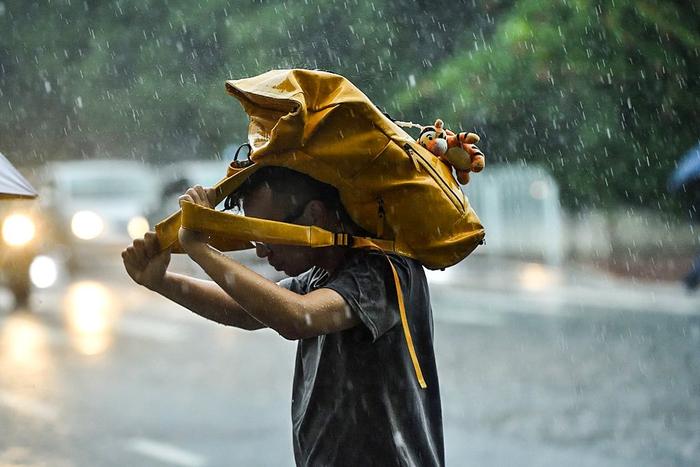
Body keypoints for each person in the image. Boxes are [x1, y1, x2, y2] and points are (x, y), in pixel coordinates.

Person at [122, 166, 444, 466]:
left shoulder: (384, 271)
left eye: (267, 235)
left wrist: (201, 250)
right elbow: (246, 311)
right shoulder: (322, 275)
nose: (262, 252)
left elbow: (297, 318)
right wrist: (162, 281)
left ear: (313, 216)